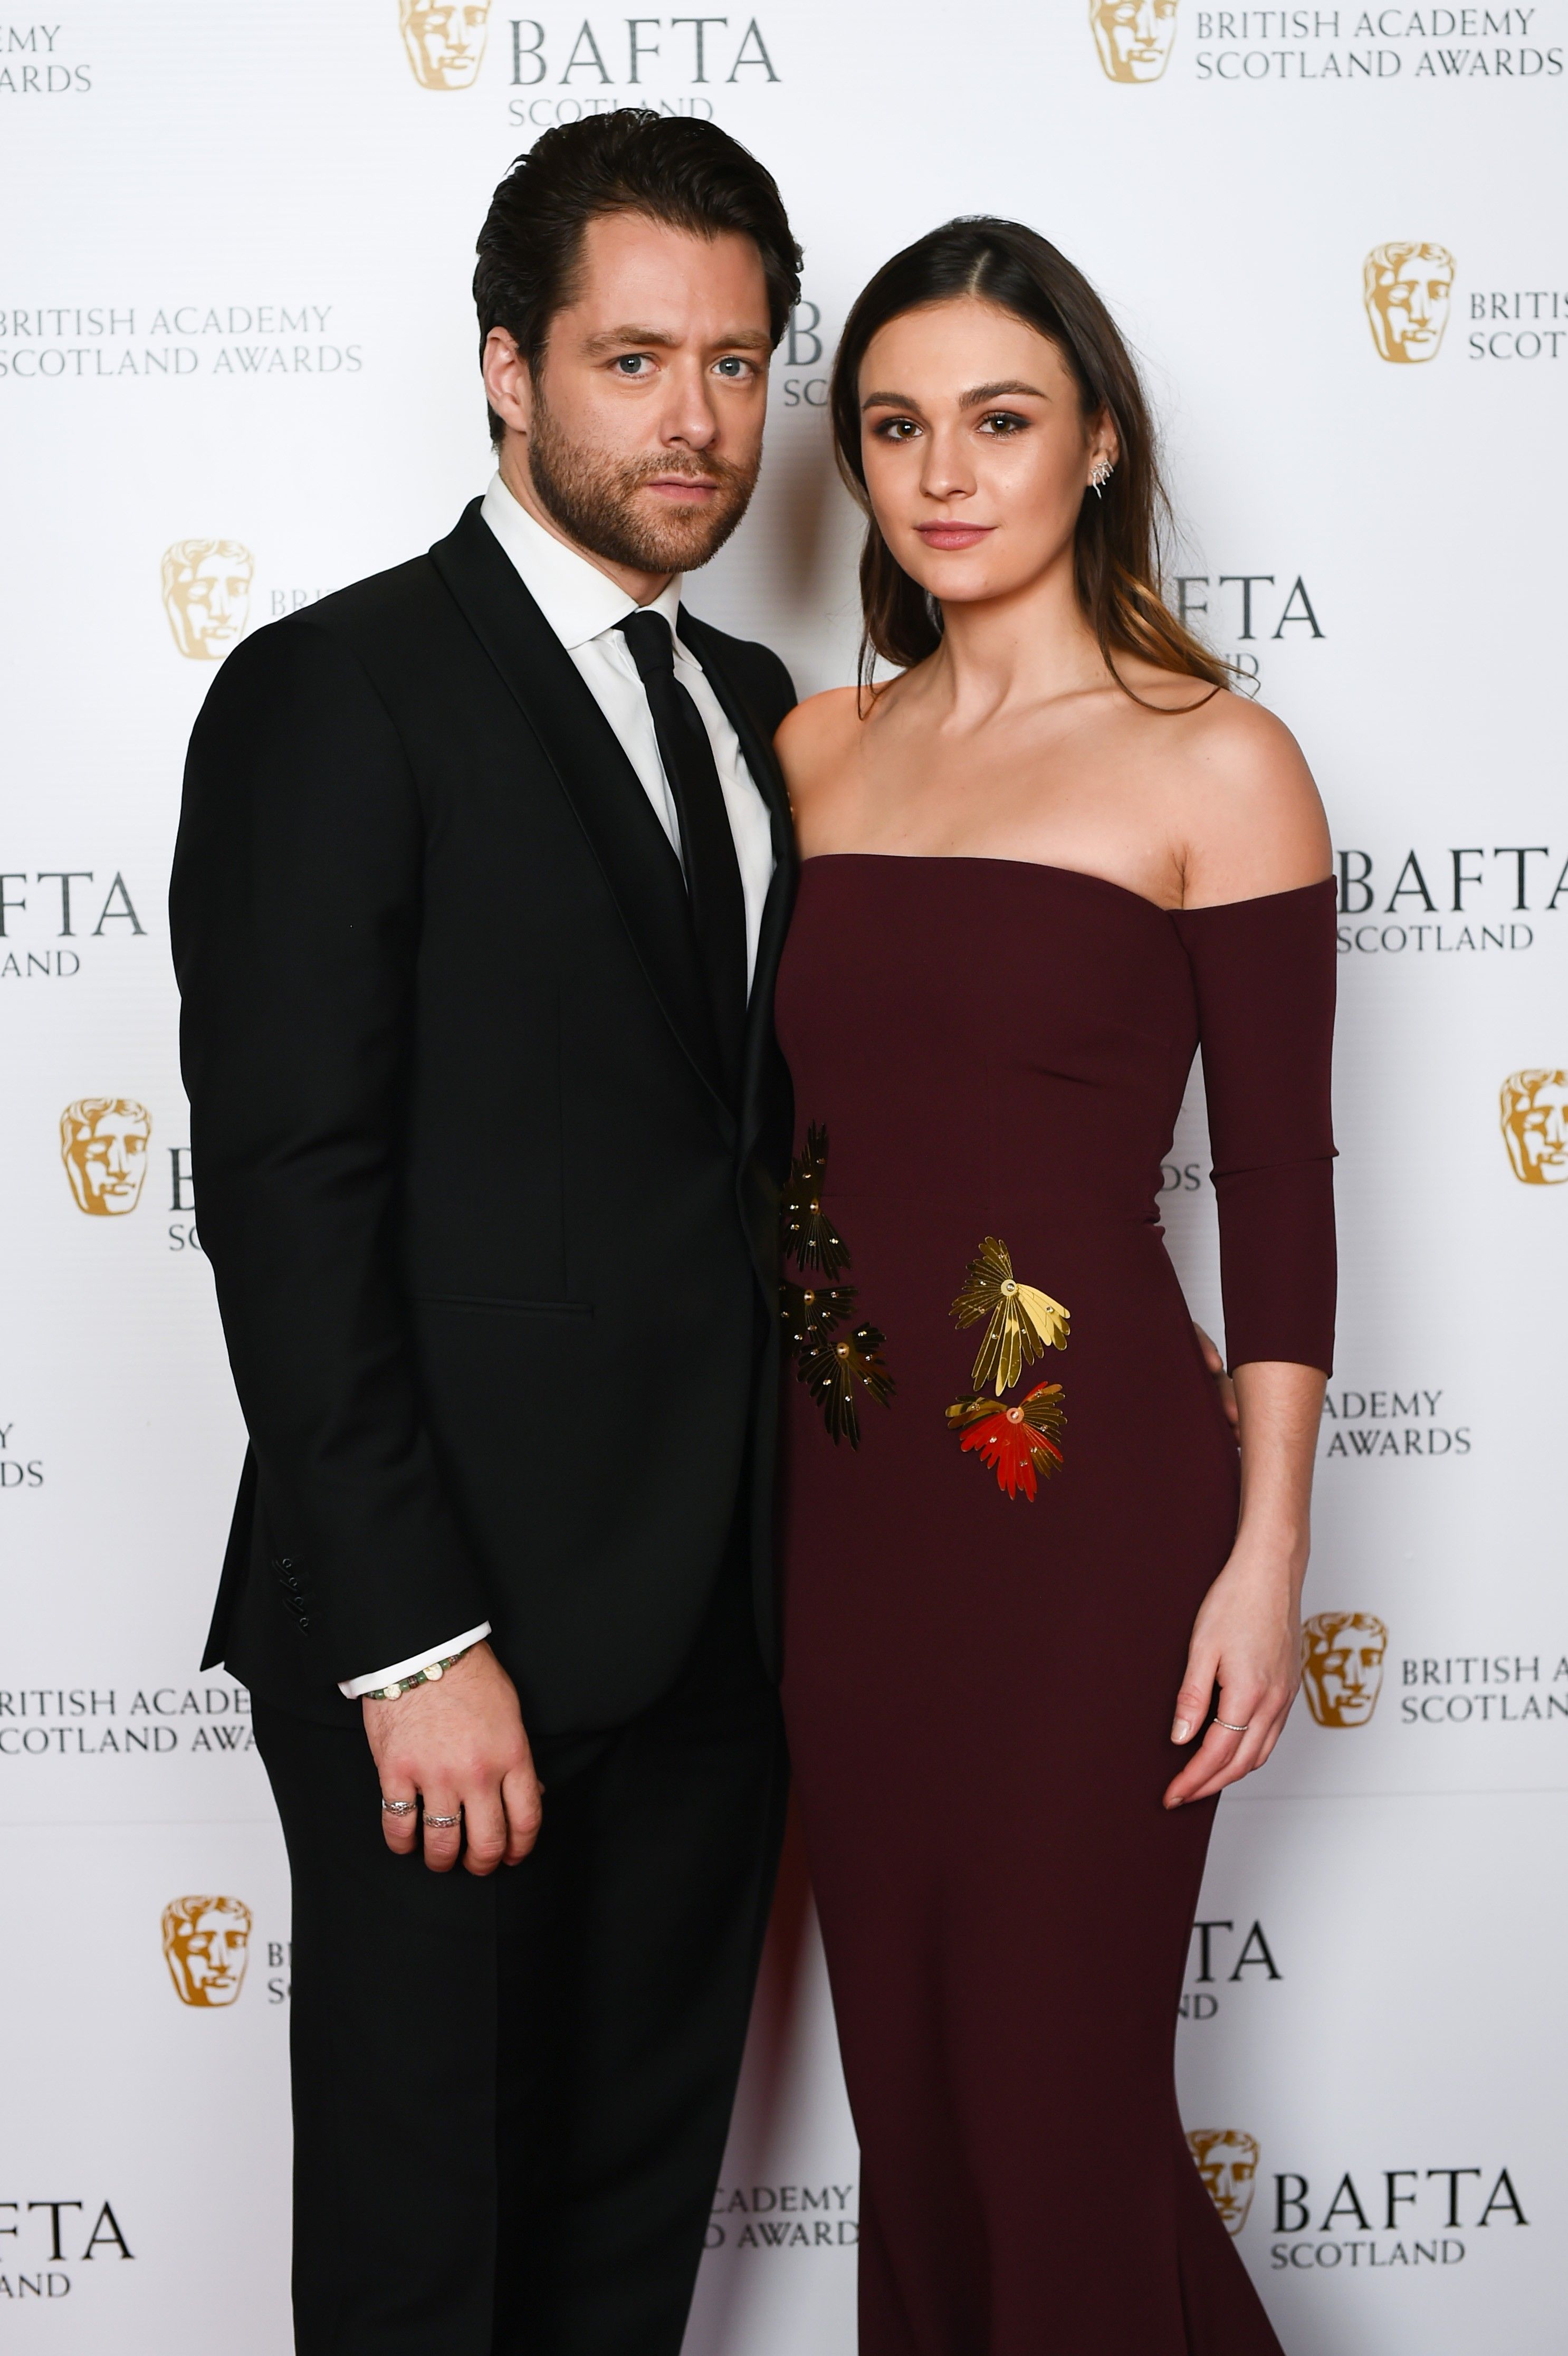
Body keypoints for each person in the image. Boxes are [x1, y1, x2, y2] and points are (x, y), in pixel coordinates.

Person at [169, 111, 802, 2356]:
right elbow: (290, 1196)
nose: (694, 421)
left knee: (622, 2265)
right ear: (507, 370)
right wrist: (410, 1644)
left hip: (718, 1635)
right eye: (634, 359)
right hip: (455, 1647)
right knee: (427, 2269)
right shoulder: (334, 690)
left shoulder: (758, 711)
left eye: (735, 363)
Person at [772, 217, 1335, 2353]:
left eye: (997, 420)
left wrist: (1266, 1555)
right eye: (893, 424)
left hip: (1087, 1527)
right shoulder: (813, 751)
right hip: (839, 1529)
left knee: (1054, 2111)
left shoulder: (1216, 760)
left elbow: (1276, 1188)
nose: (943, 473)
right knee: (919, 2124)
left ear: (1096, 441)